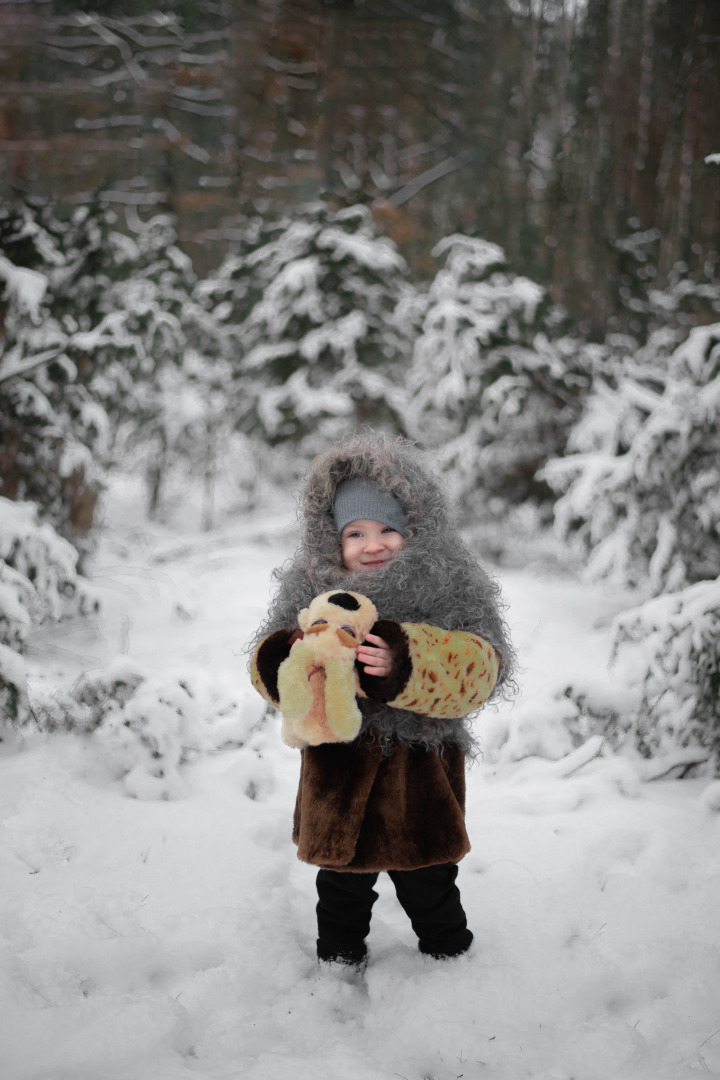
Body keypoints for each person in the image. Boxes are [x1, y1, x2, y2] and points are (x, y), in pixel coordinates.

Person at [248, 431, 514, 971]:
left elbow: (482, 665)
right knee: (341, 882)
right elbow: (265, 664)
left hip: (418, 767)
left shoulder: (451, 584)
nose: (373, 545)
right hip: (337, 766)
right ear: (332, 539)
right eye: (356, 532)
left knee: (429, 877)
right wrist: (291, 661)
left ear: (416, 528)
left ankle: (448, 955)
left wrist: (406, 660)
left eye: (388, 529)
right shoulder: (309, 588)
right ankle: (339, 962)